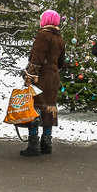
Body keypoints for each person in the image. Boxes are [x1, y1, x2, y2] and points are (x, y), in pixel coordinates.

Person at [20, 10, 65, 157]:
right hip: (53, 77)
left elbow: (37, 59)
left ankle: (33, 144)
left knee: (35, 107)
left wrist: (30, 77)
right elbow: (61, 62)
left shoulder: (43, 35)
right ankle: (47, 143)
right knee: (49, 108)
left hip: (41, 78)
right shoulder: (59, 38)